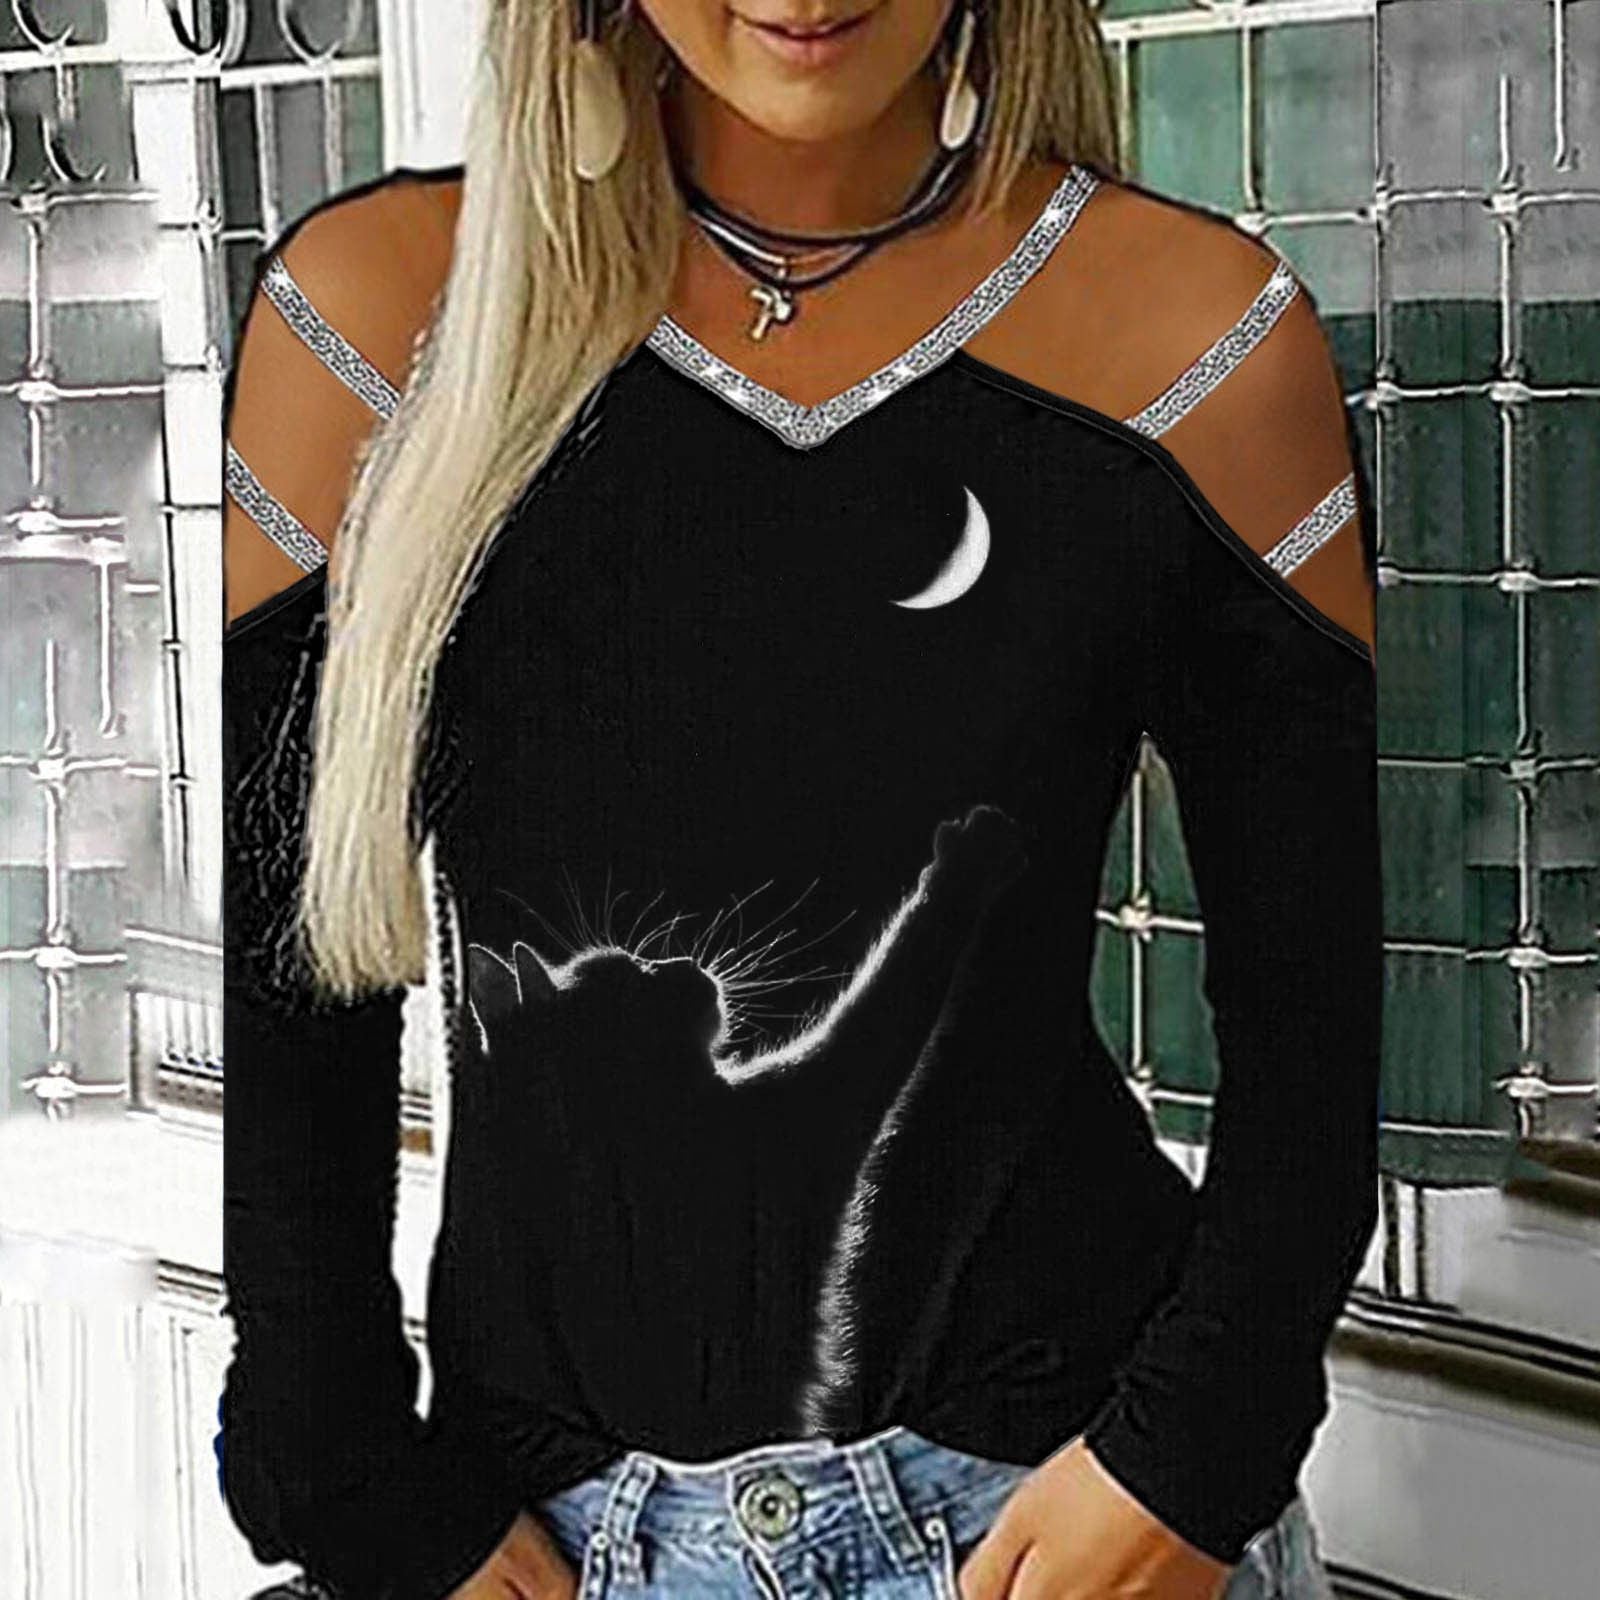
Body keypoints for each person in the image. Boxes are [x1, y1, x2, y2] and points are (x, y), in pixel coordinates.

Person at [217, 1, 1382, 1597]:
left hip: (1045, 1517)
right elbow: (297, 974)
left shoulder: (1197, 341)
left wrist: (1194, 1461)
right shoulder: (373, 321)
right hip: (543, 1534)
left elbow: (1314, 1020)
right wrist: (341, 1462)